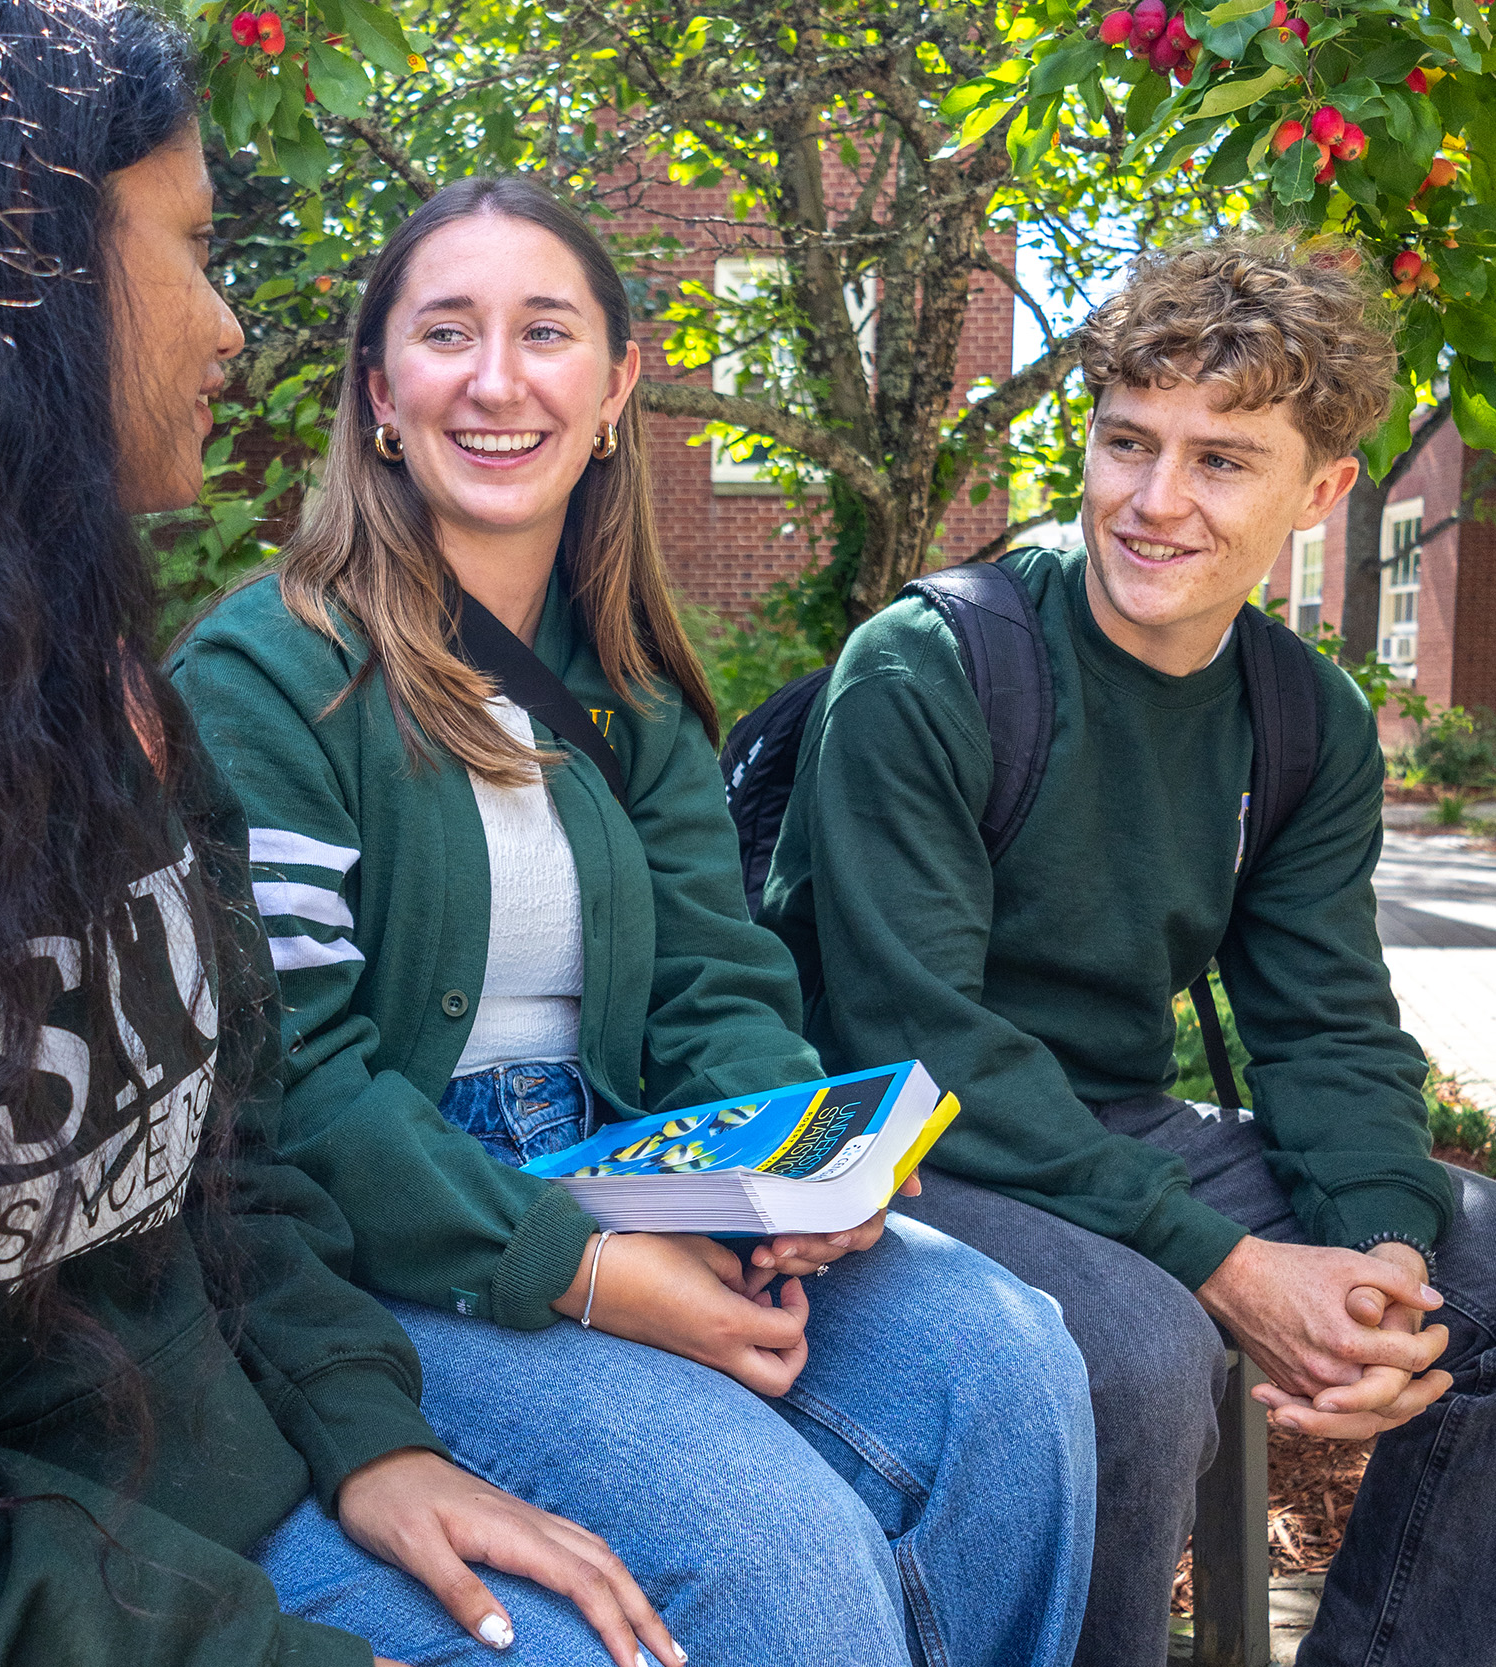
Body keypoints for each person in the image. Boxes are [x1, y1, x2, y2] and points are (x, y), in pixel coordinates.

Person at [0, 7, 694, 1665]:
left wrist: (371, 1435)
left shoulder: (87, 679)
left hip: (181, 1481)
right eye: (196, 246)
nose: (230, 326)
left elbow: (228, 1146)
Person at [174, 173, 1097, 1667]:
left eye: (544, 332)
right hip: (396, 1243)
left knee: (1009, 1361)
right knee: (774, 1552)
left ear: (614, 388)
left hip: (636, 1174)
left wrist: (787, 1175)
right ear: (380, 396)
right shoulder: (268, 673)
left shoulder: (625, 684)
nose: (495, 379)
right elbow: (290, 1085)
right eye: (445, 334)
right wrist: (587, 1269)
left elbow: (709, 983)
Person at [760, 234, 1496, 1667]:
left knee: (1483, 1272)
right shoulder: (932, 666)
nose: (1153, 503)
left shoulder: (1303, 720)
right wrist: (1222, 1265)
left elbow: (1327, 1027)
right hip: (885, 1131)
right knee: (1140, 1351)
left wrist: (1384, 1256)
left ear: (1321, 490)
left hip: (1104, 1125)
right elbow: (916, 1033)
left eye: (1220, 460)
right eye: (1124, 444)